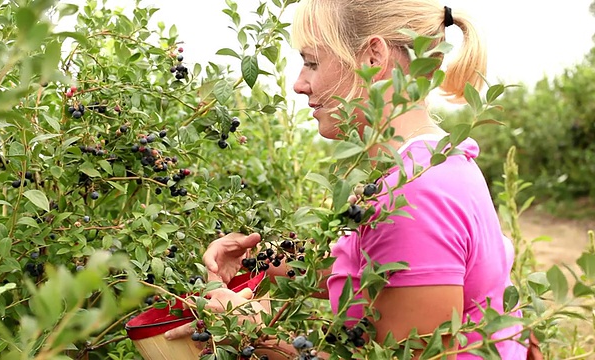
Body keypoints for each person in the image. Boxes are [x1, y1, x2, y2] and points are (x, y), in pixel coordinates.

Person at [165, 0, 530, 359]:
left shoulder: (417, 194)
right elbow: (372, 269)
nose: (299, 84)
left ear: (373, 57)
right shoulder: (430, 161)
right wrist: (256, 259)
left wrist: (249, 331)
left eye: (312, 62)